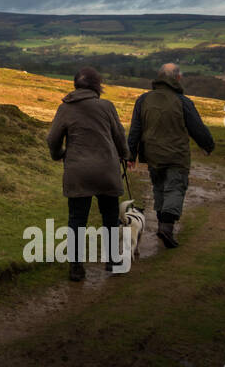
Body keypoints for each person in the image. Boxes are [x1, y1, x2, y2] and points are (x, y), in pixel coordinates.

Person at [46, 66, 129, 281]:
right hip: (106, 170)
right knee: (110, 216)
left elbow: (52, 139)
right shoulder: (107, 106)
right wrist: (125, 155)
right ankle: (112, 260)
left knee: (77, 219)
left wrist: (59, 154)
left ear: (76, 85)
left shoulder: (65, 108)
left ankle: (76, 267)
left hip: (78, 171)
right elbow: (119, 136)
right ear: (97, 86)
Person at [127, 63, 215, 248]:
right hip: (176, 155)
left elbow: (135, 129)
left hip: (152, 155)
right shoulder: (182, 101)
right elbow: (197, 128)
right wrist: (208, 145)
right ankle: (166, 227)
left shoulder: (143, 100)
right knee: (175, 188)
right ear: (177, 78)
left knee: (159, 188)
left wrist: (130, 154)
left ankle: (163, 225)